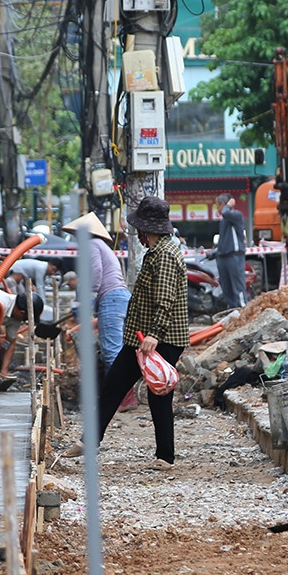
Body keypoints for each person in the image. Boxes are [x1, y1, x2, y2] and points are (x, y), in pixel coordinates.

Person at [70, 196, 189, 467]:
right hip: (142, 337)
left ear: (147, 230)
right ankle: (88, 442)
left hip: (159, 338)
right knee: (115, 386)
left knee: (158, 394)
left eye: (139, 231)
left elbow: (165, 299)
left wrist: (154, 335)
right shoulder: (157, 253)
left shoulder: (166, 256)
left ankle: (165, 457)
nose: (137, 236)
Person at [63, 211, 130, 374]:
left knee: (112, 354)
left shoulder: (91, 244)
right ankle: (122, 396)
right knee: (119, 351)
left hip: (112, 298)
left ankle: (116, 398)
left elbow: (96, 273)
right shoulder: (99, 245)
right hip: (119, 298)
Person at [214, 194, 248, 310]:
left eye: (218, 205)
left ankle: (243, 311)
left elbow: (226, 213)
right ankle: (232, 310)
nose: (217, 209)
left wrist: (228, 205)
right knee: (227, 289)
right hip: (223, 258)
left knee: (237, 287)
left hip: (234, 257)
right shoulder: (224, 221)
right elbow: (224, 240)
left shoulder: (236, 215)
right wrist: (216, 251)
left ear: (223, 205)